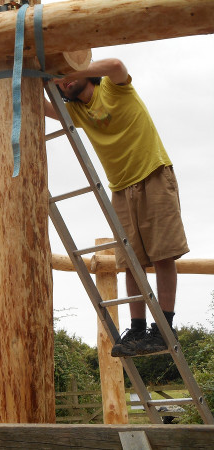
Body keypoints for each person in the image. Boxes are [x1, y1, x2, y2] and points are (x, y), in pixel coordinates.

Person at [44, 58, 189, 357]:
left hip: (154, 173)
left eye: (66, 76)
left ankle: (164, 327)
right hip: (121, 190)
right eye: (58, 83)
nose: (64, 81)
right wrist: (37, 77)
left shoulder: (114, 87)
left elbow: (116, 63)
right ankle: (137, 329)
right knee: (131, 262)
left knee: (163, 254)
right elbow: (38, 105)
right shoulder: (76, 112)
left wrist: (71, 70)